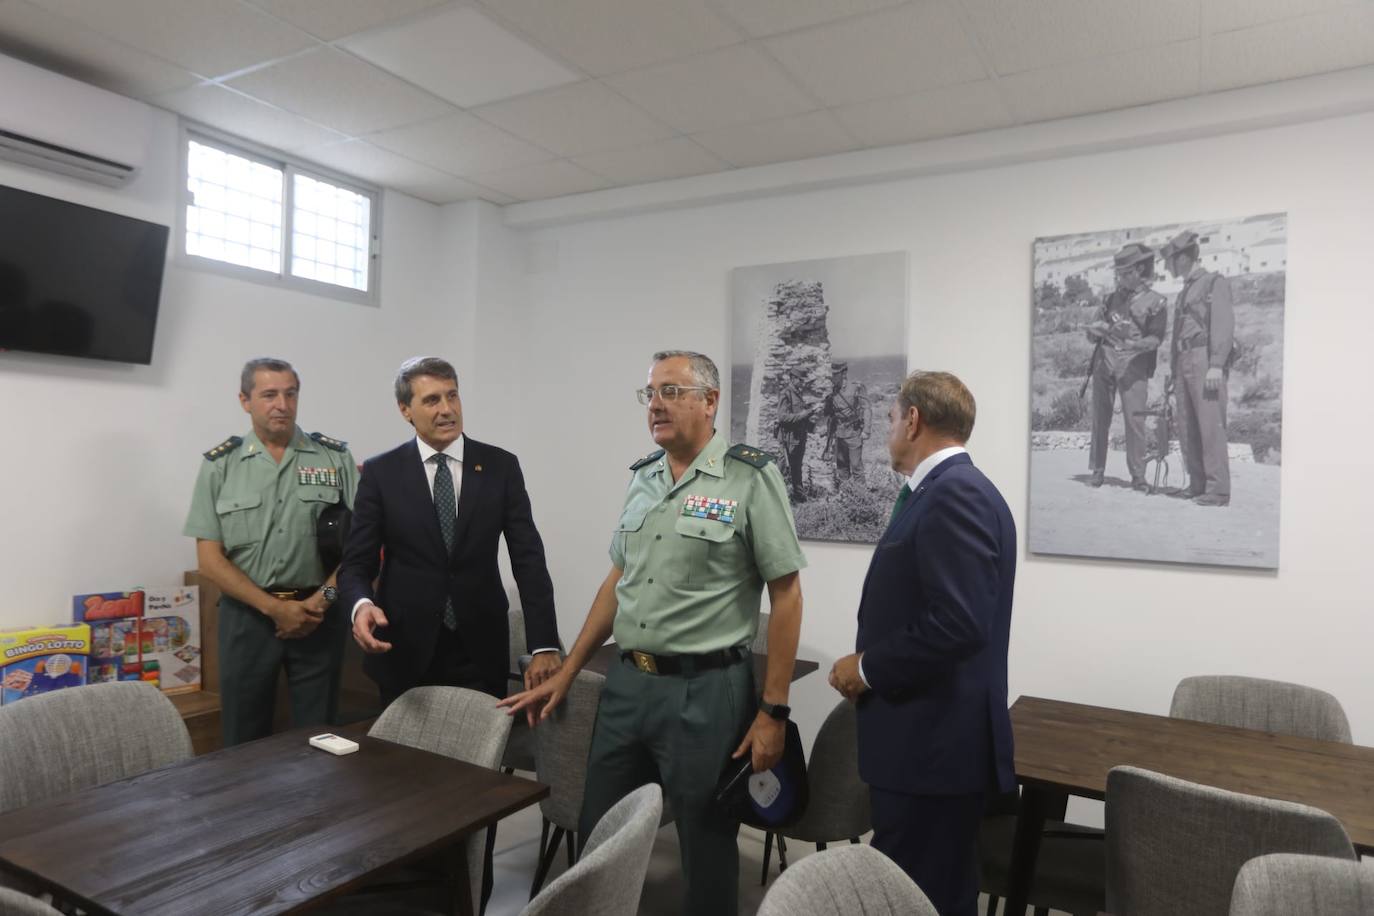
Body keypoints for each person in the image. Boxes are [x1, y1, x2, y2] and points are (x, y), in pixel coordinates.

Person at [501, 350, 806, 916]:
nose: (657, 405)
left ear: (710, 401)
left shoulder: (750, 477)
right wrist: (568, 671)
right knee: (602, 836)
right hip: (627, 687)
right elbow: (618, 582)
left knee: (705, 846)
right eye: (650, 394)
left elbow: (785, 596)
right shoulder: (643, 478)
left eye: (672, 391)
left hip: (706, 690)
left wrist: (774, 711)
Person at [829, 371, 1016, 916]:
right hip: (927, 747)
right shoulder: (944, 492)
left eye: (890, 418)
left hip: (932, 749)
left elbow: (958, 622)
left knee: (915, 898)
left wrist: (866, 668)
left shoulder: (955, 494)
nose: (886, 430)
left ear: (913, 420)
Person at [337, 356, 561, 705]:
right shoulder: (381, 473)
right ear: (405, 409)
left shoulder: (500, 467)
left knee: (475, 756)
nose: (446, 409)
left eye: (451, 396)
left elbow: (528, 558)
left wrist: (544, 643)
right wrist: (361, 605)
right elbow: (355, 564)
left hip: (479, 648)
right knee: (400, 760)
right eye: (431, 400)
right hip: (403, 648)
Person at [184, 358, 358, 746]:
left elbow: (362, 550)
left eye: (290, 393)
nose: (282, 404)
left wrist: (323, 601)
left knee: (322, 738)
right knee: (243, 740)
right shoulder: (221, 465)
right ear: (245, 401)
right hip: (247, 620)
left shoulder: (335, 458)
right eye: (269, 395)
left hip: (319, 618)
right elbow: (209, 561)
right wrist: (273, 608)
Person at [1160, 231, 1235, 506]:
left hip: (1204, 359)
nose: (1167, 266)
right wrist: (1172, 368)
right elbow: (1178, 332)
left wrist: (1216, 364)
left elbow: (1223, 324)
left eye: (1170, 260)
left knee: (1210, 425)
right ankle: (1198, 483)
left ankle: (1218, 490)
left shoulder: (1214, 282)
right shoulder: (1185, 291)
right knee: (1187, 423)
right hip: (1183, 360)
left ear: (1182, 258)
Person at [1085, 243, 1167, 490]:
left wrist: (1134, 343)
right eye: (1119, 274)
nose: (1121, 279)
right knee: (1100, 419)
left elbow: (1157, 339)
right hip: (1105, 362)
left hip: (1134, 367)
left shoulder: (1157, 301)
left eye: (1126, 273)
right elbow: (1090, 335)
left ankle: (1138, 476)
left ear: (1140, 270)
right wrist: (1095, 330)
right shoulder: (1109, 300)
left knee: (1135, 421)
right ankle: (1097, 470)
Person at [823, 361, 868, 483]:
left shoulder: (856, 387)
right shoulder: (832, 393)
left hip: (853, 433)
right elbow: (829, 414)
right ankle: (846, 495)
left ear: (843, 373)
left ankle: (862, 497)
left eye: (835, 374)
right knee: (842, 466)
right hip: (840, 434)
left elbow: (867, 408)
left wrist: (866, 430)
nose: (832, 377)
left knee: (856, 466)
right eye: (832, 375)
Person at [773, 372, 813, 501]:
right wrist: (805, 414)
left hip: (798, 437)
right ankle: (775, 498)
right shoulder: (786, 394)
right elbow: (782, 417)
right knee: (782, 469)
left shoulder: (797, 393)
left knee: (797, 467)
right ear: (793, 378)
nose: (802, 382)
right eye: (800, 379)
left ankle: (799, 496)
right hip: (787, 439)